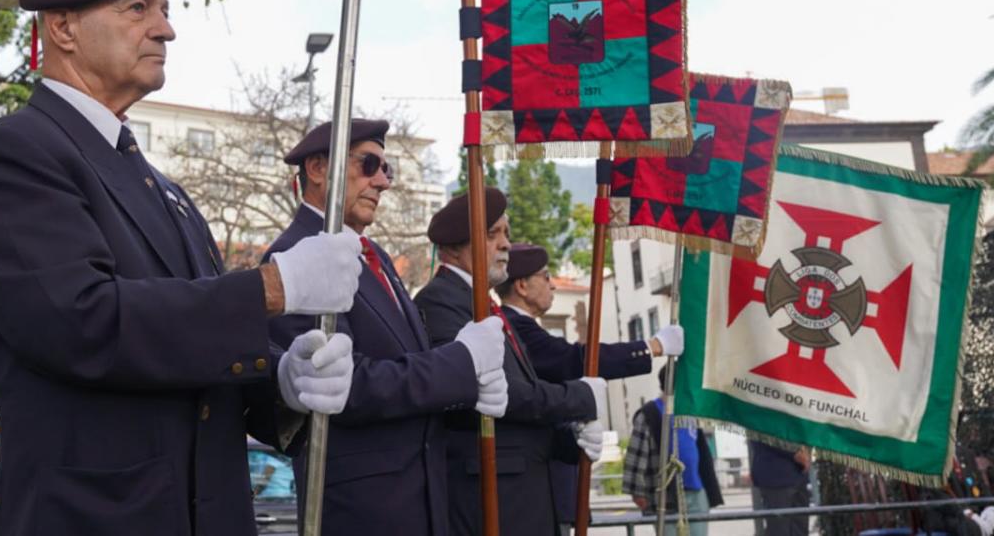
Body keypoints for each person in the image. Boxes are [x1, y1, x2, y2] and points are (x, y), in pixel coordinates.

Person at [0, 0, 361, 536]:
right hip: (95, 518)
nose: (165, 29)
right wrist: (270, 290)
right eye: (138, 7)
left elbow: (189, 359)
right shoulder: (16, 154)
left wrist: (277, 380)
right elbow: (80, 324)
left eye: (165, 10)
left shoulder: (162, 188)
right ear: (62, 28)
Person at [264, 119, 507, 536]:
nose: (383, 182)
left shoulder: (370, 254)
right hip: (365, 510)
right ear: (319, 169)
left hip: (420, 500)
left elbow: (409, 361)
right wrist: (462, 364)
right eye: (370, 164)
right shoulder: (293, 257)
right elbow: (346, 385)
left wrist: (470, 389)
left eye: (386, 169)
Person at [413, 188, 604, 536]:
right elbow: (493, 392)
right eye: (492, 234)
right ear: (454, 247)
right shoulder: (441, 301)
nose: (505, 245)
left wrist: (568, 441)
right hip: (491, 498)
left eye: (507, 234)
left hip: (522, 495)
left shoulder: (481, 302)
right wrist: (578, 396)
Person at [494, 242, 684, 527]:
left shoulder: (518, 325)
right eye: (545, 277)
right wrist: (651, 347)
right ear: (522, 286)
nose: (553, 286)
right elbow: (574, 360)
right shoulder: (513, 326)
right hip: (540, 481)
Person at [623, 365, 724, 536]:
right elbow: (636, 455)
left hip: (697, 491)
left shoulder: (689, 411)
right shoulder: (650, 413)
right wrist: (637, 491)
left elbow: (701, 451)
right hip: (666, 494)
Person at [747, 439, 809, 536]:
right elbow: (768, 432)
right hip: (777, 474)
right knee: (780, 528)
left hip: (795, 473)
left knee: (799, 527)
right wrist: (795, 452)